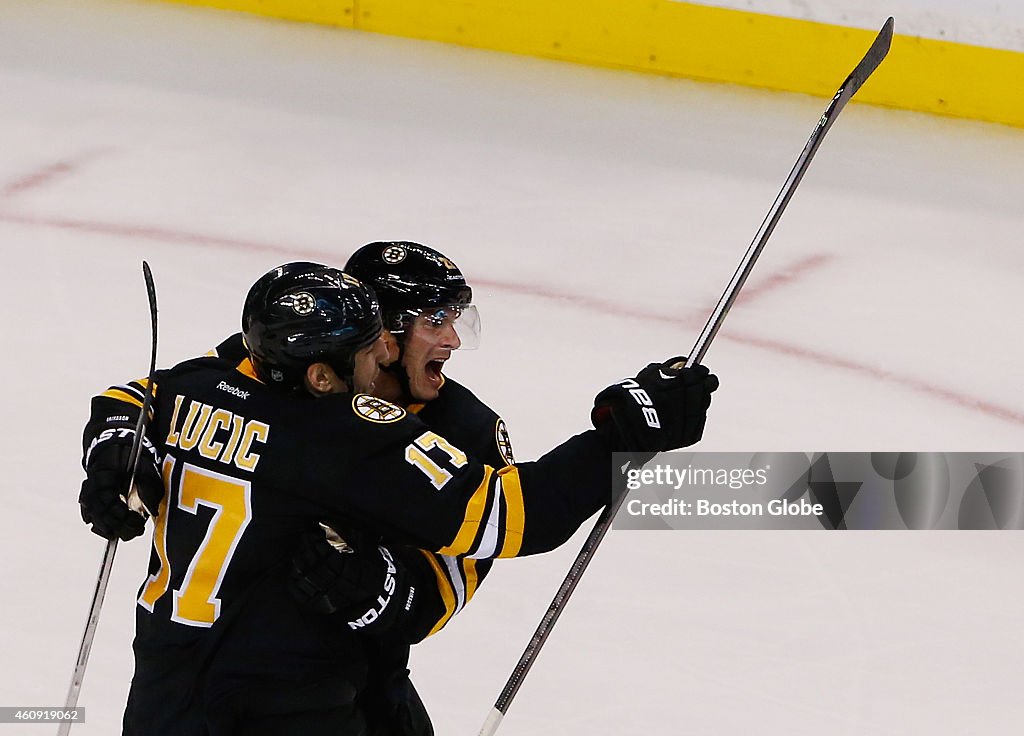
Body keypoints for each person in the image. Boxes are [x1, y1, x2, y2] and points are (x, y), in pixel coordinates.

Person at [78, 263, 718, 734]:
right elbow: (520, 515)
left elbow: (135, 397)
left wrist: (113, 456)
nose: (386, 352)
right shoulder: (345, 431)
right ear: (327, 369)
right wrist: (619, 440)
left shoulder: (212, 382)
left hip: (171, 687)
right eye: (379, 340)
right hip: (293, 702)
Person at [208, 242, 512, 734]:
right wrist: (117, 439)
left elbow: (450, 580)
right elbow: (165, 393)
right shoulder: (283, 362)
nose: (454, 340)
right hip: (227, 670)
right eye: (436, 320)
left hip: (360, 679)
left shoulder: (467, 430)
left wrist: (375, 588)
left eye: (455, 319)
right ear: (384, 337)